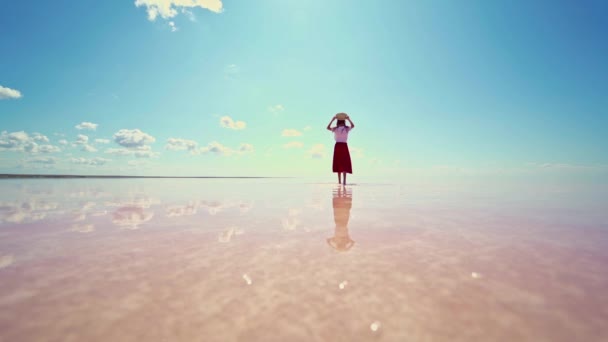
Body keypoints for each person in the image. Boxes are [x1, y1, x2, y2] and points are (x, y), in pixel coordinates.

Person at [326, 113, 355, 185]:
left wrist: (333, 120)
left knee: (343, 163)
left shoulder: (345, 128)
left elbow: (353, 126)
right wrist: (348, 119)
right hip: (341, 145)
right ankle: (341, 181)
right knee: (340, 163)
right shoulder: (337, 128)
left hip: (341, 145)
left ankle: (342, 181)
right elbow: (327, 128)